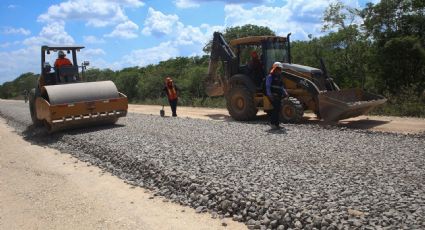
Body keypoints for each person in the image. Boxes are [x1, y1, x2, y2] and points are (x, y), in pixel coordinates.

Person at [265, 62, 288, 130]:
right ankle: (272, 124)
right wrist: (269, 95)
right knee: (275, 109)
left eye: (280, 69)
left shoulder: (279, 77)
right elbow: (268, 86)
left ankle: (277, 124)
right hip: (272, 95)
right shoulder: (270, 76)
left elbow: (281, 87)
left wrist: (285, 92)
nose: (280, 70)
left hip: (278, 95)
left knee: (278, 109)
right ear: (275, 69)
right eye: (279, 69)